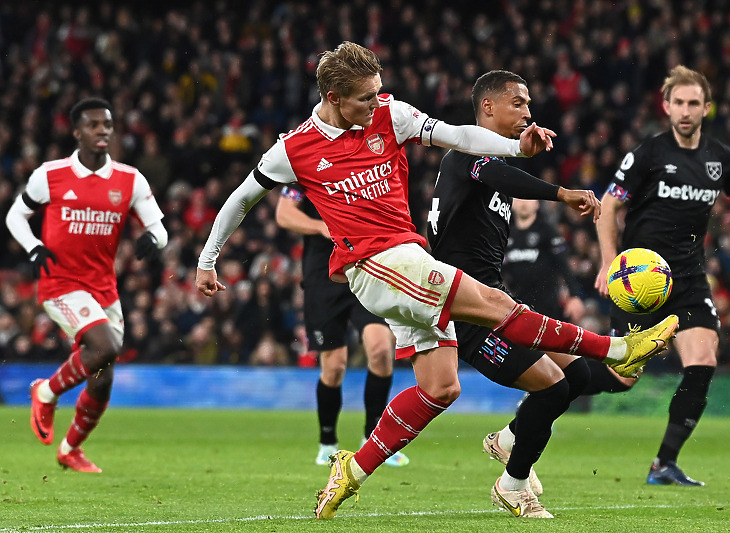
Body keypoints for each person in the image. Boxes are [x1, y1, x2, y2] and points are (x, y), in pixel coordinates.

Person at [193, 42, 677, 519]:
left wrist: (515, 147)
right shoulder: (295, 149)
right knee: (493, 304)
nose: (376, 102)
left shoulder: (391, 114)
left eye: (379, 91)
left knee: (441, 388)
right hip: (373, 264)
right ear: (334, 97)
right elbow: (241, 199)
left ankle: (352, 470)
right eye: (366, 97)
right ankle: (616, 349)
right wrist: (208, 260)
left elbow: (460, 137)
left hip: (408, 259)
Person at [425, 69, 609, 517]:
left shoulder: (487, 160)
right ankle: (513, 484)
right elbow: (504, 179)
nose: (528, 112)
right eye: (518, 103)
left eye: (528, 104)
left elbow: (500, 177)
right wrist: (561, 192)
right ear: (488, 106)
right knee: (551, 387)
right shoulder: (467, 147)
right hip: (466, 309)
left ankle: (508, 440)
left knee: (578, 376)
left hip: (494, 299)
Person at [591, 65, 730, 486]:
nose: (686, 111)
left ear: (706, 108)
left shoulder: (721, 159)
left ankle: (663, 464)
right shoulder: (647, 154)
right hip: (641, 283)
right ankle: (550, 385)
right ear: (666, 106)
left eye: (694, 103)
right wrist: (608, 262)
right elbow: (610, 206)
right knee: (622, 378)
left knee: (704, 360)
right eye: (679, 103)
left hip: (687, 279)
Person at [5, 97, 168, 472]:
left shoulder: (129, 179)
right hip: (60, 282)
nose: (102, 131)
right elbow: (17, 214)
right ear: (77, 132)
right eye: (94, 125)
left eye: (107, 125)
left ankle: (70, 449)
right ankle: (44, 392)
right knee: (106, 345)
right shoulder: (50, 175)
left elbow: (158, 228)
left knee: (102, 377)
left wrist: (153, 240)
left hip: (103, 288)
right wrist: (33, 248)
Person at [275, 184, 409, 467]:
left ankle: (374, 439)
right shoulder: (305, 167)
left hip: (366, 268)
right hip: (323, 277)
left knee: (381, 350)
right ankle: (327, 443)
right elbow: (284, 214)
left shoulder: (367, 162)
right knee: (334, 367)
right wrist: (321, 226)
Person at [502, 198, 586, 322]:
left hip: (548, 306)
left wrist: (575, 295)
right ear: (512, 203)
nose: (523, 202)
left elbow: (564, 265)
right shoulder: (505, 234)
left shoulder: (548, 231)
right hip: (517, 305)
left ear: (537, 204)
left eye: (529, 198)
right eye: (519, 198)